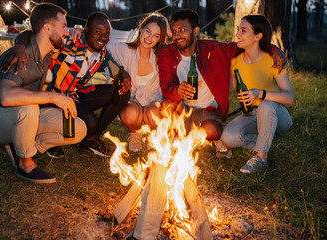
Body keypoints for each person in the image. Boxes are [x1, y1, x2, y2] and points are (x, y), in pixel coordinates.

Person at [0, 3, 87, 184]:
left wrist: (80, 32)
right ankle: (25, 163)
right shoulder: (18, 56)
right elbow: (7, 97)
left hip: (26, 114)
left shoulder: (47, 52)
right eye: (63, 26)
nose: (66, 32)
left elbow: (29, 33)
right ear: (47, 28)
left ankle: (23, 144)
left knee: (78, 128)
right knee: (29, 107)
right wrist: (53, 96)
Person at [3, 12, 132, 157]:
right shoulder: (69, 41)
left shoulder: (102, 54)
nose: (103, 37)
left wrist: (125, 77)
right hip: (52, 98)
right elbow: (29, 34)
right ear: (86, 29)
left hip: (74, 96)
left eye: (107, 33)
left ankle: (90, 140)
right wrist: (19, 47)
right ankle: (51, 138)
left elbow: (116, 70)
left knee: (122, 92)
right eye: (97, 32)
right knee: (90, 122)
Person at [157, 9, 286, 146]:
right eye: (174, 31)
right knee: (166, 105)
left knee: (212, 131)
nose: (177, 35)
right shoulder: (167, 53)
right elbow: (166, 86)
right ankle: (180, 136)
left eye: (182, 29)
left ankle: (189, 136)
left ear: (195, 31)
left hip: (209, 109)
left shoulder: (214, 49)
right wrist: (178, 91)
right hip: (183, 107)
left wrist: (275, 50)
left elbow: (245, 45)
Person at [220, 15, 294, 173]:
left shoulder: (272, 61)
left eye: (243, 30)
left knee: (267, 104)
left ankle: (261, 157)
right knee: (228, 137)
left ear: (258, 36)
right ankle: (265, 140)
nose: (237, 34)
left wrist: (260, 93)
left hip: (276, 115)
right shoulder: (236, 62)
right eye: (238, 30)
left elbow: (289, 97)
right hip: (250, 115)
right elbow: (227, 89)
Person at [106, 13, 169, 152]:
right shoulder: (124, 49)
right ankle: (135, 133)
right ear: (141, 29)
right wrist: (79, 31)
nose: (149, 38)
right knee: (131, 113)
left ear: (160, 39)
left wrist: (168, 31)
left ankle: (154, 136)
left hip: (153, 100)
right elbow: (101, 42)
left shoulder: (162, 55)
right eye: (148, 31)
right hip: (131, 100)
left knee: (154, 112)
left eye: (156, 36)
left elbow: (182, 50)